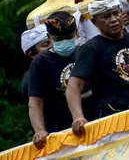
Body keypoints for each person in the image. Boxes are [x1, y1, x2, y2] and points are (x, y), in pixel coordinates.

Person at [66, 0, 129, 136]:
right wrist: (78, 117)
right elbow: (73, 86)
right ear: (95, 22)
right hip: (114, 120)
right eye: (106, 16)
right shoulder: (91, 48)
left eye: (116, 13)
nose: (113, 20)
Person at [28, 11, 93, 149]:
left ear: (76, 33)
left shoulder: (85, 52)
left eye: (68, 37)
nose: (63, 42)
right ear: (49, 37)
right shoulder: (41, 62)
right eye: (58, 39)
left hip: (92, 124)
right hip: (60, 133)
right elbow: (35, 102)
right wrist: (39, 131)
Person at [21, 24, 51, 102]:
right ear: (32, 54)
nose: (52, 47)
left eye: (54, 41)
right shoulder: (30, 79)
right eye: (45, 45)